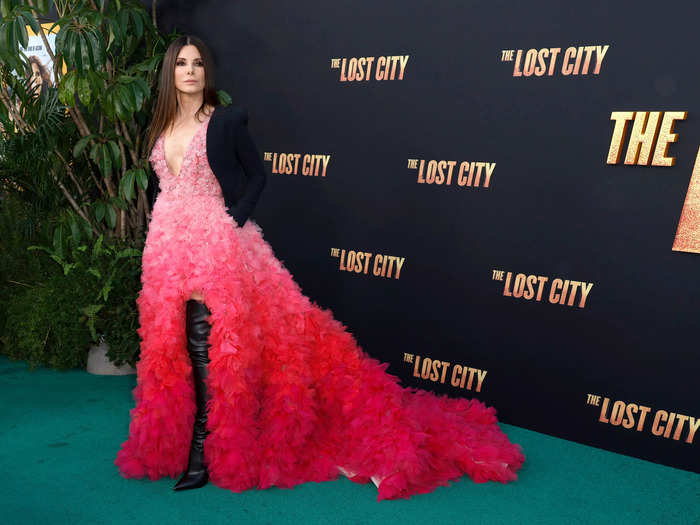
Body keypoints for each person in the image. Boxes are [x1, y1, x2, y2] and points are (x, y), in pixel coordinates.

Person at [115, 35, 525, 501]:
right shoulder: (160, 127)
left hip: (216, 241)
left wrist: (235, 219)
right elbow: (164, 187)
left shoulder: (225, 121)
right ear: (170, 72)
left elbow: (258, 174)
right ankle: (174, 445)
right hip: (167, 244)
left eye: (198, 64)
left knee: (214, 346)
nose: (190, 71)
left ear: (207, 72)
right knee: (174, 350)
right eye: (181, 64)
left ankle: (202, 454)